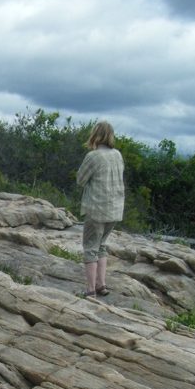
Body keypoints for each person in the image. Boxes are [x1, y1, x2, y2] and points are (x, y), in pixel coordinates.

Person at [76, 121, 125, 298]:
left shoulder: (93, 156)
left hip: (96, 208)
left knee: (90, 247)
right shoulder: (117, 155)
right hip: (115, 208)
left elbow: (80, 179)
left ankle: (90, 290)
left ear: (95, 135)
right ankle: (101, 284)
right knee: (101, 245)